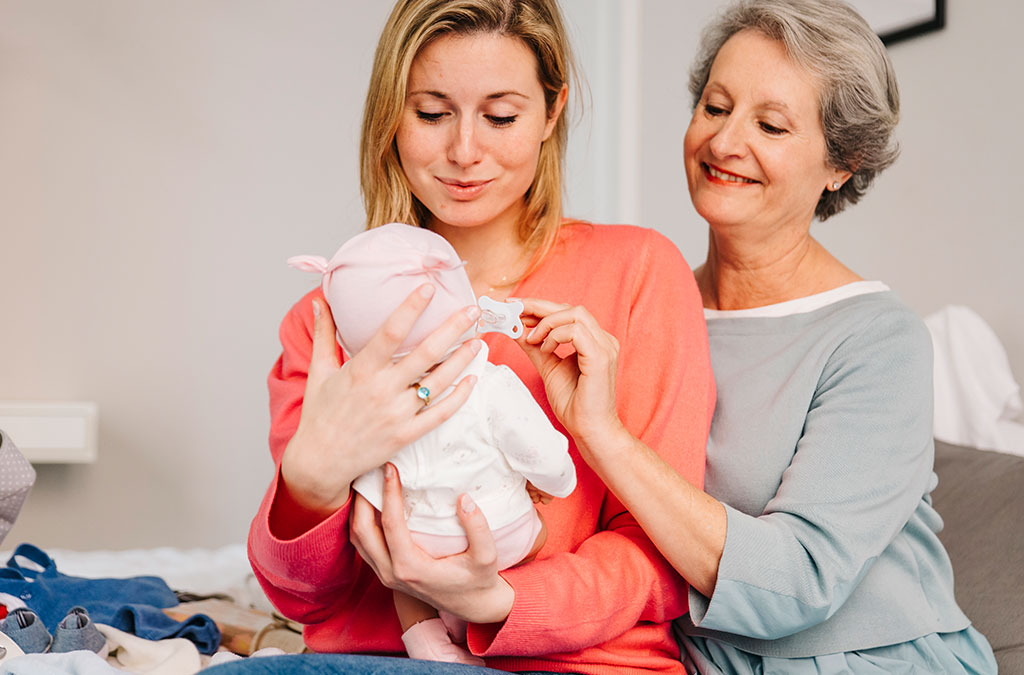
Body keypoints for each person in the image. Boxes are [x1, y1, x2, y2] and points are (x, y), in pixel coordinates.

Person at [225, 0, 714, 673]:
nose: (464, 150)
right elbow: (304, 596)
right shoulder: (333, 313)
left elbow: (659, 557)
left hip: (583, 663)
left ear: (551, 112)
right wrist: (309, 482)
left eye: (501, 115)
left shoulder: (636, 273)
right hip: (381, 661)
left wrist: (502, 598)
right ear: (390, 115)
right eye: (431, 113)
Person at [515, 0, 999, 673]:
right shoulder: (646, 304)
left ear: (843, 162)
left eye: (770, 125)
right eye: (715, 107)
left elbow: (799, 578)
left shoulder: (879, 341)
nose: (724, 142)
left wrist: (607, 437)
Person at [286, 223, 577, 665]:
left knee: (397, 554)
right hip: (501, 531)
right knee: (535, 534)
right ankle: (467, 623)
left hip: (411, 537)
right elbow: (542, 453)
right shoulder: (490, 382)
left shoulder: (364, 398)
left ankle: (428, 639)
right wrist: (555, 483)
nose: (464, 152)